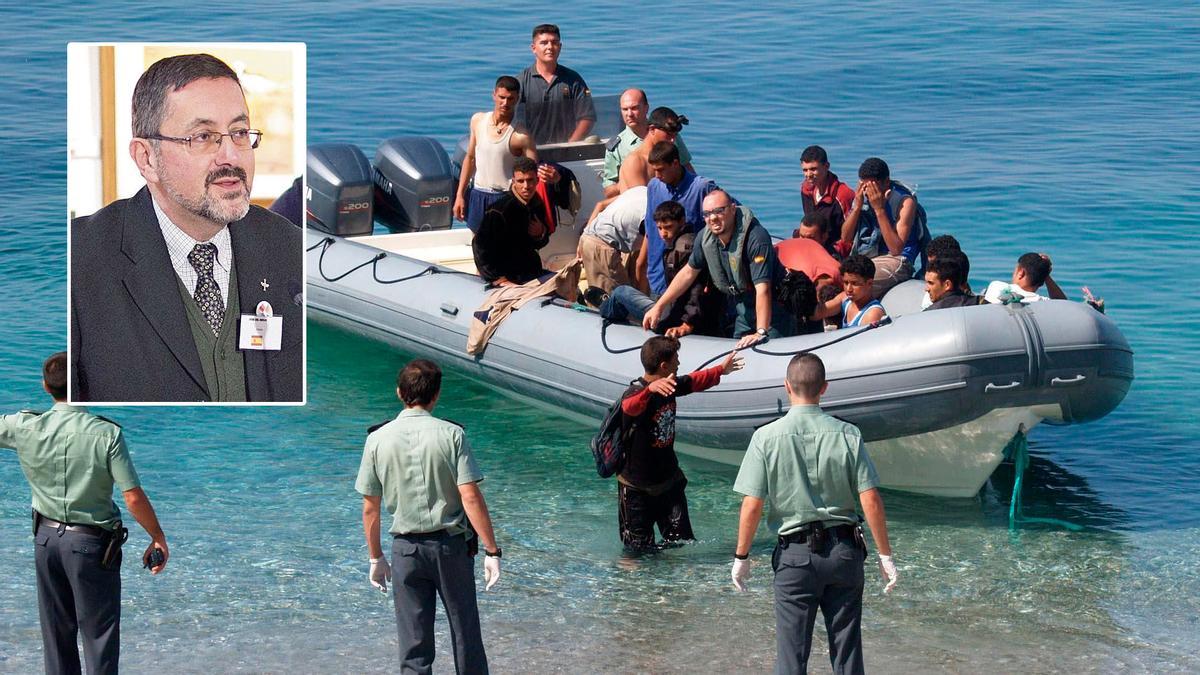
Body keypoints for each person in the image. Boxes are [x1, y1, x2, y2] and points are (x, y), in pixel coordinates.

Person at [70, 53, 302, 403]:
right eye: (203, 137)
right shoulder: (78, 262)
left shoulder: (290, 249)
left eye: (239, 133)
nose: (232, 157)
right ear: (146, 159)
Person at [2, 352, 169, 674]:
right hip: (92, 547)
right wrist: (157, 537)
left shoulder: (24, 425)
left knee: (56, 636)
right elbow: (132, 497)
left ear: (45, 387)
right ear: (85, 386)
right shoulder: (106, 434)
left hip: (45, 541)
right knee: (99, 638)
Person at [731, 353, 897, 674]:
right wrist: (885, 556)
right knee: (847, 655)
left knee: (791, 659)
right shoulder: (849, 434)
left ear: (786, 387)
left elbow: (752, 504)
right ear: (824, 388)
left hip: (794, 557)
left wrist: (742, 557)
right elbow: (871, 499)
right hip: (845, 552)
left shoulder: (765, 438)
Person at [356, 359, 501, 673]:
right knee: (466, 637)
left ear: (399, 392)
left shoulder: (376, 440)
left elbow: (371, 506)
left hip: (405, 550)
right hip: (450, 548)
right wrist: (492, 550)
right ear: (436, 395)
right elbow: (470, 496)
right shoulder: (452, 435)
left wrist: (375, 558)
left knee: (413, 646)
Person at [618, 337, 743, 551]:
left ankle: (679, 584)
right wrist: (649, 390)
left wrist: (721, 370)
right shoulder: (635, 393)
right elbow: (628, 407)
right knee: (637, 552)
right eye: (676, 359)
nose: (678, 363)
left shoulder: (670, 385)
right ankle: (636, 586)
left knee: (682, 543)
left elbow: (693, 381)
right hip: (636, 489)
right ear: (663, 365)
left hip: (669, 482)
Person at [645, 190, 794, 348]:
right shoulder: (705, 238)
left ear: (732, 208)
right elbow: (688, 272)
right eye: (707, 214)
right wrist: (658, 306)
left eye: (719, 211)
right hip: (742, 306)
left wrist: (761, 332)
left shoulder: (756, 239)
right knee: (738, 349)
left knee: (770, 347)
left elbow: (763, 289)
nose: (713, 218)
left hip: (774, 306)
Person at [600, 200, 724, 338]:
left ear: (682, 221)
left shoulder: (683, 249)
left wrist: (687, 323)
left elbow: (697, 288)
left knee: (620, 292)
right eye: (659, 228)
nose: (663, 233)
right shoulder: (686, 242)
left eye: (668, 227)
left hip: (673, 317)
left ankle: (604, 306)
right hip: (676, 310)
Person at [454, 76, 538, 232]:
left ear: (517, 99)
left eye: (511, 99)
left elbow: (533, 175)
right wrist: (460, 195)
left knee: (505, 250)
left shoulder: (521, 136)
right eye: (502, 97)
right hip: (478, 194)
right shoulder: (477, 121)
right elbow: (470, 159)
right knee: (478, 247)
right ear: (494, 95)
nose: (505, 103)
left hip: (506, 197)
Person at [839, 157, 927, 299]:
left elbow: (896, 249)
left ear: (886, 182)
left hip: (897, 260)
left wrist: (879, 209)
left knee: (858, 283)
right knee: (837, 278)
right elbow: (845, 238)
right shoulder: (863, 198)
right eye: (865, 186)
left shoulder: (904, 201)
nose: (869, 192)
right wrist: (857, 207)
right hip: (869, 256)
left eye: (873, 186)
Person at [639, 140, 719, 295]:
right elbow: (650, 230)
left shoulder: (702, 188)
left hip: (693, 280)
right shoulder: (654, 186)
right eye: (654, 170)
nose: (657, 175)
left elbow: (730, 214)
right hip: (659, 278)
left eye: (661, 170)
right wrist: (642, 264)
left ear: (675, 163)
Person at [472, 157, 551, 285]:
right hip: (507, 276)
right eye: (521, 181)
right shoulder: (499, 210)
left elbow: (540, 243)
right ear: (514, 181)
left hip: (529, 271)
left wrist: (540, 233)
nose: (526, 186)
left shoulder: (536, 204)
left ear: (537, 180)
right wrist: (498, 279)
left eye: (530, 180)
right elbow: (479, 246)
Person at [602, 89, 694, 197]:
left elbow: (688, 168)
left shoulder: (668, 134)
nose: (629, 114)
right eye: (625, 109)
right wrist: (628, 178)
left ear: (646, 108)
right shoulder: (617, 147)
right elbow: (608, 191)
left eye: (634, 108)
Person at [518, 24, 596, 145]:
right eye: (544, 43)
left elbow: (587, 117)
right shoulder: (521, 81)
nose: (550, 47)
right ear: (533, 48)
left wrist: (570, 145)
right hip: (532, 152)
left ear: (560, 47)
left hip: (566, 153)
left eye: (554, 42)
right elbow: (513, 119)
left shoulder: (574, 80)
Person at [577, 185, 647, 296]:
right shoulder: (651, 214)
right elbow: (641, 264)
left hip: (590, 238)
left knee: (607, 299)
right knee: (617, 303)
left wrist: (583, 236)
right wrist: (644, 302)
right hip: (600, 246)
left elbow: (600, 205)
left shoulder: (641, 190)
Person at [799, 145, 855, 252]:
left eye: (813, 169)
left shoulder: (843, 195)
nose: (808, 175)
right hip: (813, 243)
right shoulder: (806, 189)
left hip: (835, 250)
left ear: (826, 166)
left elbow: (850, 238)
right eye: (805, 170)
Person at [812, 255, 887, 328]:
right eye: (846, 283)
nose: (848, 289)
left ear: (869, 283)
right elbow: (819, 312)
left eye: (854, 283)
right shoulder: (845, 299)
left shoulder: (872, 314)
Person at [983, 252, 1069, 305]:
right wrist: (1046, 275)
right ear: (1042, 283)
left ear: (1021, 273)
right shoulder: (1041, 302)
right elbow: (1063, 304)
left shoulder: (996, 286)